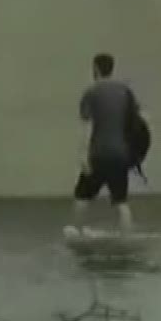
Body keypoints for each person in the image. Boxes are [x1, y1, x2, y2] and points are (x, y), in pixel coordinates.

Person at [67, 52, 139, 236]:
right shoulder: (125, 91)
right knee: (121, 201)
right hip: (120, 153)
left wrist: (83, 155)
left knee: (82, 195)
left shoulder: (91, 92)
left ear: (95, 68)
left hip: (98, 153)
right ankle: (128, 235)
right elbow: (136, 121)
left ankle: (77, 230)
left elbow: (87, 126)